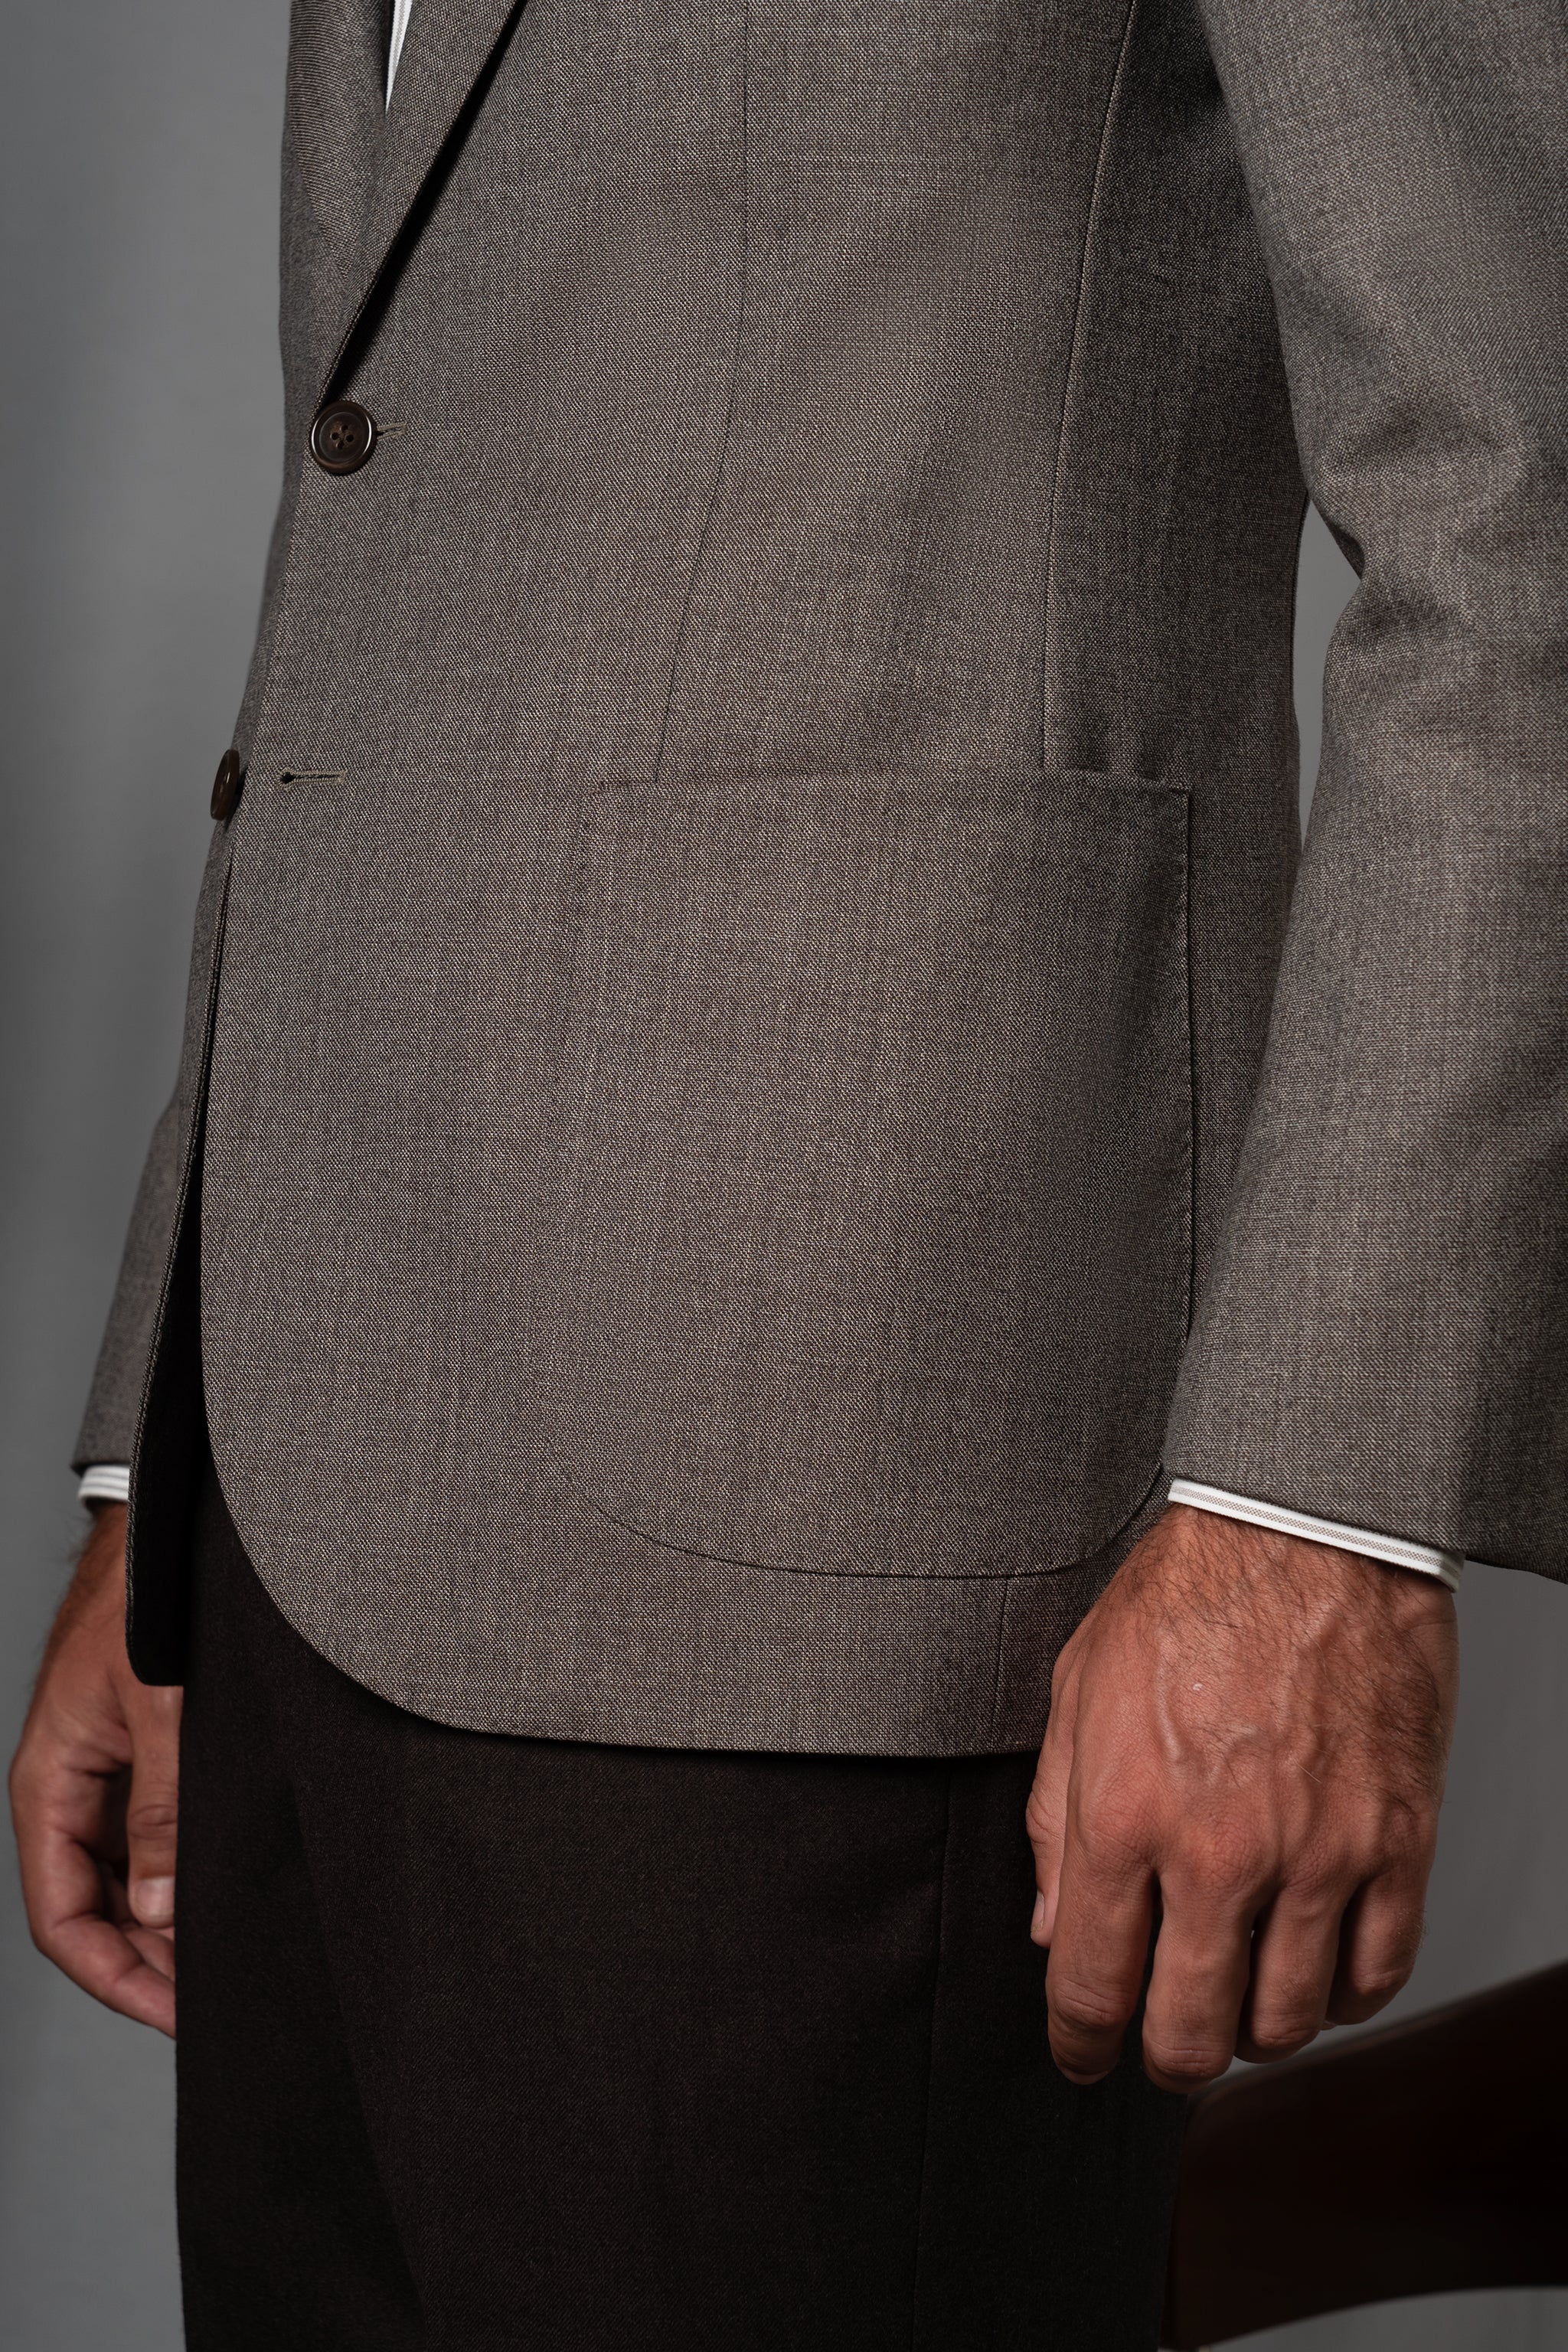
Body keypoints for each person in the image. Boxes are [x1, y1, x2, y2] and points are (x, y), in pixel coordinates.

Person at [10, 0, 1564, 2344]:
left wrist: (1323, 1511)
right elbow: (378, 548)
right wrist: (169, 1465)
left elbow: (1528, 519)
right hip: (304, 1525)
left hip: (845, 1506)